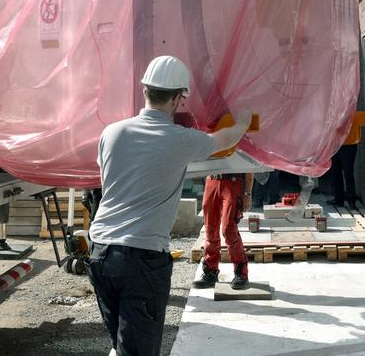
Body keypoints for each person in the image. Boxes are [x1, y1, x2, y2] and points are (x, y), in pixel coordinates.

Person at [87, 55, 252, 356]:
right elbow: (224, 139)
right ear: (177, 98)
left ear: (145, 90)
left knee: (122, 346)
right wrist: (243, 120)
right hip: (141, 259)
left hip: (100, 254)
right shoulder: (179, 139)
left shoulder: (111, 133)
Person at [194, 171, 254, 290]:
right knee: (210, 228)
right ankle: (210, 272)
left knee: (229, 229)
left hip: (233, 182)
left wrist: (247, 194)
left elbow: (249, 167)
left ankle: (241, 274)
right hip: (212, 180)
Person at [328, 143, 358, 210]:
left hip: (349, 144)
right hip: (335, 144)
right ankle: (339, 200)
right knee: (335, 172)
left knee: (348, 173)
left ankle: (351, 202)